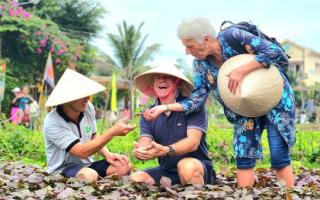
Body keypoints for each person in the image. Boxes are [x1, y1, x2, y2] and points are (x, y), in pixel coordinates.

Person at [143, 18, 295, 188]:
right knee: (243, 155)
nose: (187, 51)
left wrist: (241, 70)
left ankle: (288, 194)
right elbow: (197, 97)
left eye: (190, 46)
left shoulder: (233, 36)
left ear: (206, 40)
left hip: (273, 97)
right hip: (242, 107)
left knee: (278, 153)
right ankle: (244, 195)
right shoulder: (200, 64)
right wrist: (165, 107)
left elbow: (274, 51)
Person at [43, 69, 137, 181]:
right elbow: (81, 152)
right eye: (82, 95)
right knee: (89, 175)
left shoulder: (88, 108)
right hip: (62, 169)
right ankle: (95, 180)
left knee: (123, 166)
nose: (87, 98)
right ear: (67, 98)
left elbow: (93, 136)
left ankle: (96, 181)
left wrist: (108, 154)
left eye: (87, 94)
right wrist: (112, 132)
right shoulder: (53, 122)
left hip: (87, 165)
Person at [130, 65, 215, 186]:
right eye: (158, 78)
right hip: (167, 170)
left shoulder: (193, 107)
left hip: (196, 166)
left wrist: (166, 150)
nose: (161, 80)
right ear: (154, 85)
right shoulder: (148, 113)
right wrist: (141, 151)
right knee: (137, 178)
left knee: (186, 167)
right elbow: (145, 142)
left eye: (167, 77)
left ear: (177, 83)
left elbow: (193, 143)